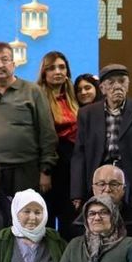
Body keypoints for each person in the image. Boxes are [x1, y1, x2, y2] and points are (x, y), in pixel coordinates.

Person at [71, 64, 132, 222]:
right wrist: (77, 192)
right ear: (102, 88)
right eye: (111, 82)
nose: (117, 86)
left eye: (122, 81)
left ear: (128, 84)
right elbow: (79, 154)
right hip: (99, 175)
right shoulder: (87, 113)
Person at [0, 42, 57, 196]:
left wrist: (46, 170)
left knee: (26, 211)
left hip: (28, 169)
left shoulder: (33, 91)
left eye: (5, 59)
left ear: (14, 64)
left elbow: (47, 133)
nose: (0, 65)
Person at [37, 52, 79, 235]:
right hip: (49, 165)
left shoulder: (74, 96)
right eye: (52, 68)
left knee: (69, 218)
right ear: (44, 72)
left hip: (72, 165)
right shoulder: (37, 96)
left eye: (62, 67)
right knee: (46, 216)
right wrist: (44, 171)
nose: (58, 72)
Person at [67, 165, 132, 243]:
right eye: (101, 184)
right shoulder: (78, 227)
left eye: (114, 184)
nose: (107, 189)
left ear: (123, 189)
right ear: (93, 189)